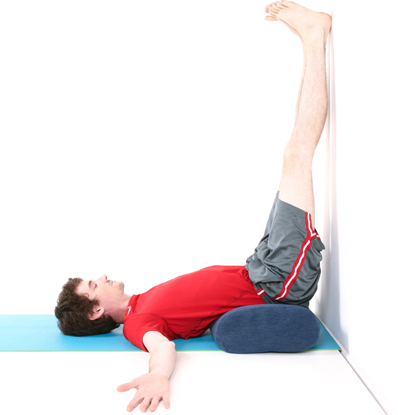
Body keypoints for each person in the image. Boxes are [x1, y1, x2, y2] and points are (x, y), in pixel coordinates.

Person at [54, 2, 331, 412]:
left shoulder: (143, 301)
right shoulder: (137, 325)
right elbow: (160, 348)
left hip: (259, 261)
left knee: (291, 155)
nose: (103, 276)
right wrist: (157, 375)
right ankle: (313, 37)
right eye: (94, 286)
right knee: (296, 156)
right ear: (96, 311)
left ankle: (310, 40)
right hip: (276, 281)